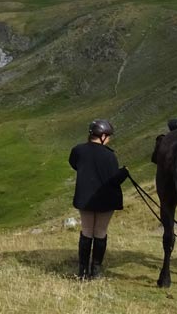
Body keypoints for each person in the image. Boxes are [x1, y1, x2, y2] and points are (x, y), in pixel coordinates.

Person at [68, 119, 130, 280]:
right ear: (102, 136)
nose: (109, 139)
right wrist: (124, 172)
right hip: (105, 200)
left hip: (85, 198)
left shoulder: (78, 150)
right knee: (100, 232)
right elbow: (113, 180)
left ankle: (82, 270)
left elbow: (74, 164)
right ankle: (95, 271)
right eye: (108, 136)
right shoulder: (109, 155)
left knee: (87, 231)